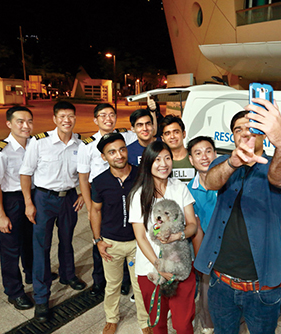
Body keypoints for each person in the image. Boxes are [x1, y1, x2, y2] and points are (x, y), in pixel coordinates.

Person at [194, 98, 281, 334]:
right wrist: (233, 162)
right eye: (238, 129)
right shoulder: (223, 163)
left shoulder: (274, 164)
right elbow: (209, 182)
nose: (244, 133)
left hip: (262, 286)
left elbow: (280, 179)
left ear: (261, 134)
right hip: (221, 281)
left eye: (251, 128)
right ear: (233, 137)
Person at [20, 101, 86, 322]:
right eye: (62, 116)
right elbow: (25, 174)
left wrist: (83, 194)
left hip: (68, 198)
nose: (67, 120)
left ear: (75, 118)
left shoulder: (80, 144)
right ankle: (41, 298)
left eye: (71, 116)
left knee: (67, 240)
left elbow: (86, 173)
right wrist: (29, 202)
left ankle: (68, 275)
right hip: (43, 199)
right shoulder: (40, 143)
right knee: (41, 247)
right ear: (55, 119)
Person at [128, 141, 198, 334]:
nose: (163, 164)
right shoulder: (139, 195)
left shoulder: (179, 188)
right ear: (148, 162)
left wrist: (178, 235)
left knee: (183, 324)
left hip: (180, 266)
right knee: (157, 323)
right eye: (157, 159)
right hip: (150, 268)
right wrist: (159, 266)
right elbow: (140, 236)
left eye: (167, 158)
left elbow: (193, 225)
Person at [90, 133, 152, 334]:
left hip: (138, 242)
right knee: (113, 285)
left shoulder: (141, 174)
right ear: (104, 157)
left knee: (141, 285)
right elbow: (95, 211)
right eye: (112, 152)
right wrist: (98, 240)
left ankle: (144, 321)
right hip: (111, 243)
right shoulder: (99, 182)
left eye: (122, 149)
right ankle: (111, 318)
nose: (119, 155)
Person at [77, 103, 136, 297]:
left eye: (111, 115)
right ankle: (99, 281)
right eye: (102, 115)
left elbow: (147, 133)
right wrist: (90, 209)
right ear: (95, 120)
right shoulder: (87, 145)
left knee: (126, 236)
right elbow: (84, 178)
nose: (108, 119)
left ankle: (126, 281)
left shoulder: (125, 136)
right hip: (100, 196)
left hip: (124, 191)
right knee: (100, 241)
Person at [0, 106, 35, 310]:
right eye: (20, 121)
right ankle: (14, 291)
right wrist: (1, 215)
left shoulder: (34, 144)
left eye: (29, 121)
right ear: (9, 124)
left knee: (30, 241)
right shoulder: (0, 151)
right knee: (11, 249)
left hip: (31, 198)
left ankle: (32, 272)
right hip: (10, 201)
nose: (26, 126)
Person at [186, 136, 218, 334]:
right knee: (206, 289)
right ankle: (208, 324)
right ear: (191, 160)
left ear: (215, 154)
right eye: (198, 153)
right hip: (207, 249)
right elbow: (195, 228)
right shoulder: (189, 191)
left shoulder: (228, 182)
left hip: (232, 248)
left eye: (208, 151)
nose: (204, 157)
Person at [160, 115, 195, 184]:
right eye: (167, 134)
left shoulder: (195, 157)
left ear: (184, 134)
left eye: (176, 132)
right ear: (162, 138)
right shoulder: (159, 162)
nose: (172, 136)